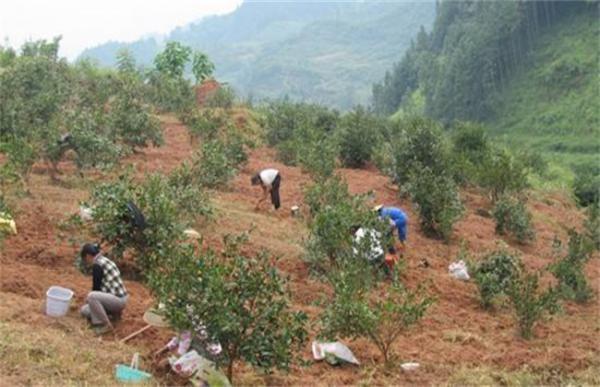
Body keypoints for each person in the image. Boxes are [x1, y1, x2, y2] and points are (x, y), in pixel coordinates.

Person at [79, 243, 128, 335]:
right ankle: (112, 316)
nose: (87, 262)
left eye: (86, 259)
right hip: (119, 298)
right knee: (84, 310)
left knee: (91, 296)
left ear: (88, 256)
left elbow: (96, 289)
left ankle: (103, 325)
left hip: (118, 301)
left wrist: (88, 300)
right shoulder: (105, 260)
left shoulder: (97, 266)